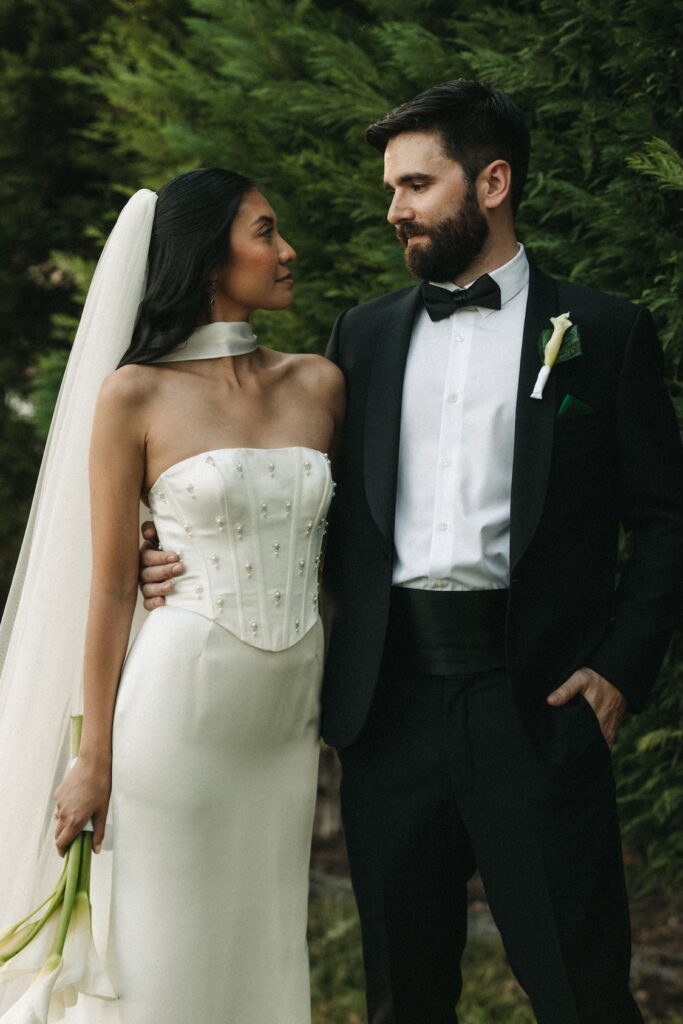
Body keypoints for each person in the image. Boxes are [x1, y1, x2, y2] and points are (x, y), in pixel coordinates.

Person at [140, 84, 683, 1023]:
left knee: (583, 995)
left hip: (537, 705)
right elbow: (287, 491)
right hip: (388, 709)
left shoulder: (604, 332)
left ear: (493, 183)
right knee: (403, 1000)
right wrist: (163, 540)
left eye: (416, 185)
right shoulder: (362, 337)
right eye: (392, 188)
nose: (394, 209)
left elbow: (667, 519)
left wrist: (618, 670)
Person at [0, 168, 344, 1024]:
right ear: (206, 255)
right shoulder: (134, 394)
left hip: (286, 728)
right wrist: (94, 757)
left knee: (259, 948)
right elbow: (113, 581)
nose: (287, 251)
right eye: (265, 232)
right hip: (177, 714)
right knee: (160, 962)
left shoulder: (319, 384)